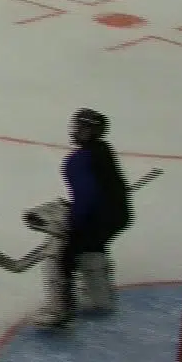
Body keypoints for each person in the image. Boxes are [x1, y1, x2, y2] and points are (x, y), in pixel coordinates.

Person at [42, 108, 132, 328]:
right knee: (92, 249)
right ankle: (99, 299)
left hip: (96, 217)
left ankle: (60, 309)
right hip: (119, 216)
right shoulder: (104, 149)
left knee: (60, 255)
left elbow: (86, 196)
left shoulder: (77, 160)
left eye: (81, 128)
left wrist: (72, 224)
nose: (75, 131)